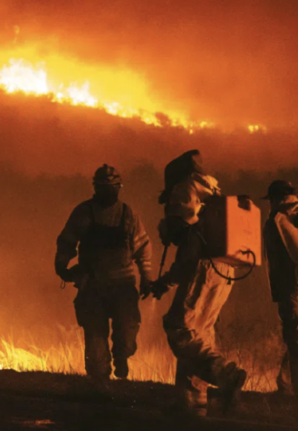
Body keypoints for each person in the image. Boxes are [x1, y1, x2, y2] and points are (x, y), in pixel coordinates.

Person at [149, 150, 247, 417]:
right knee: (199, 332)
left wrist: (169, 230)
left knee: (180, 328)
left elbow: (189, 243)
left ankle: (226, 375)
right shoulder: (212, 193)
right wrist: (167, 282)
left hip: (204, 268)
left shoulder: (185, 190)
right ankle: (192, 403)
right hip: (224, 270)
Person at [55, 164, 152, 382]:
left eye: (112, 187)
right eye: (103, 187)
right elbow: (68, 240)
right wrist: (61, 264)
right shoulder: (83, 213)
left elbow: (143, 249)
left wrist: (146, 277)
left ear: (119, 187)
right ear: (95, 188)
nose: (108, 191)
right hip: (93, 286)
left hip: (123, 286)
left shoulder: (128, 215)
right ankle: (100, 389)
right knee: (96, 343)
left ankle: (121, 358)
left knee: (127, 335)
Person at [262, 180, 298, 397]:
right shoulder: (291, 215)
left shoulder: (278, 219)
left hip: (290, 286)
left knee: (293, 335)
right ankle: (285, 383)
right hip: (291, 285)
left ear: (274, 199)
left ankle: (292, 389)